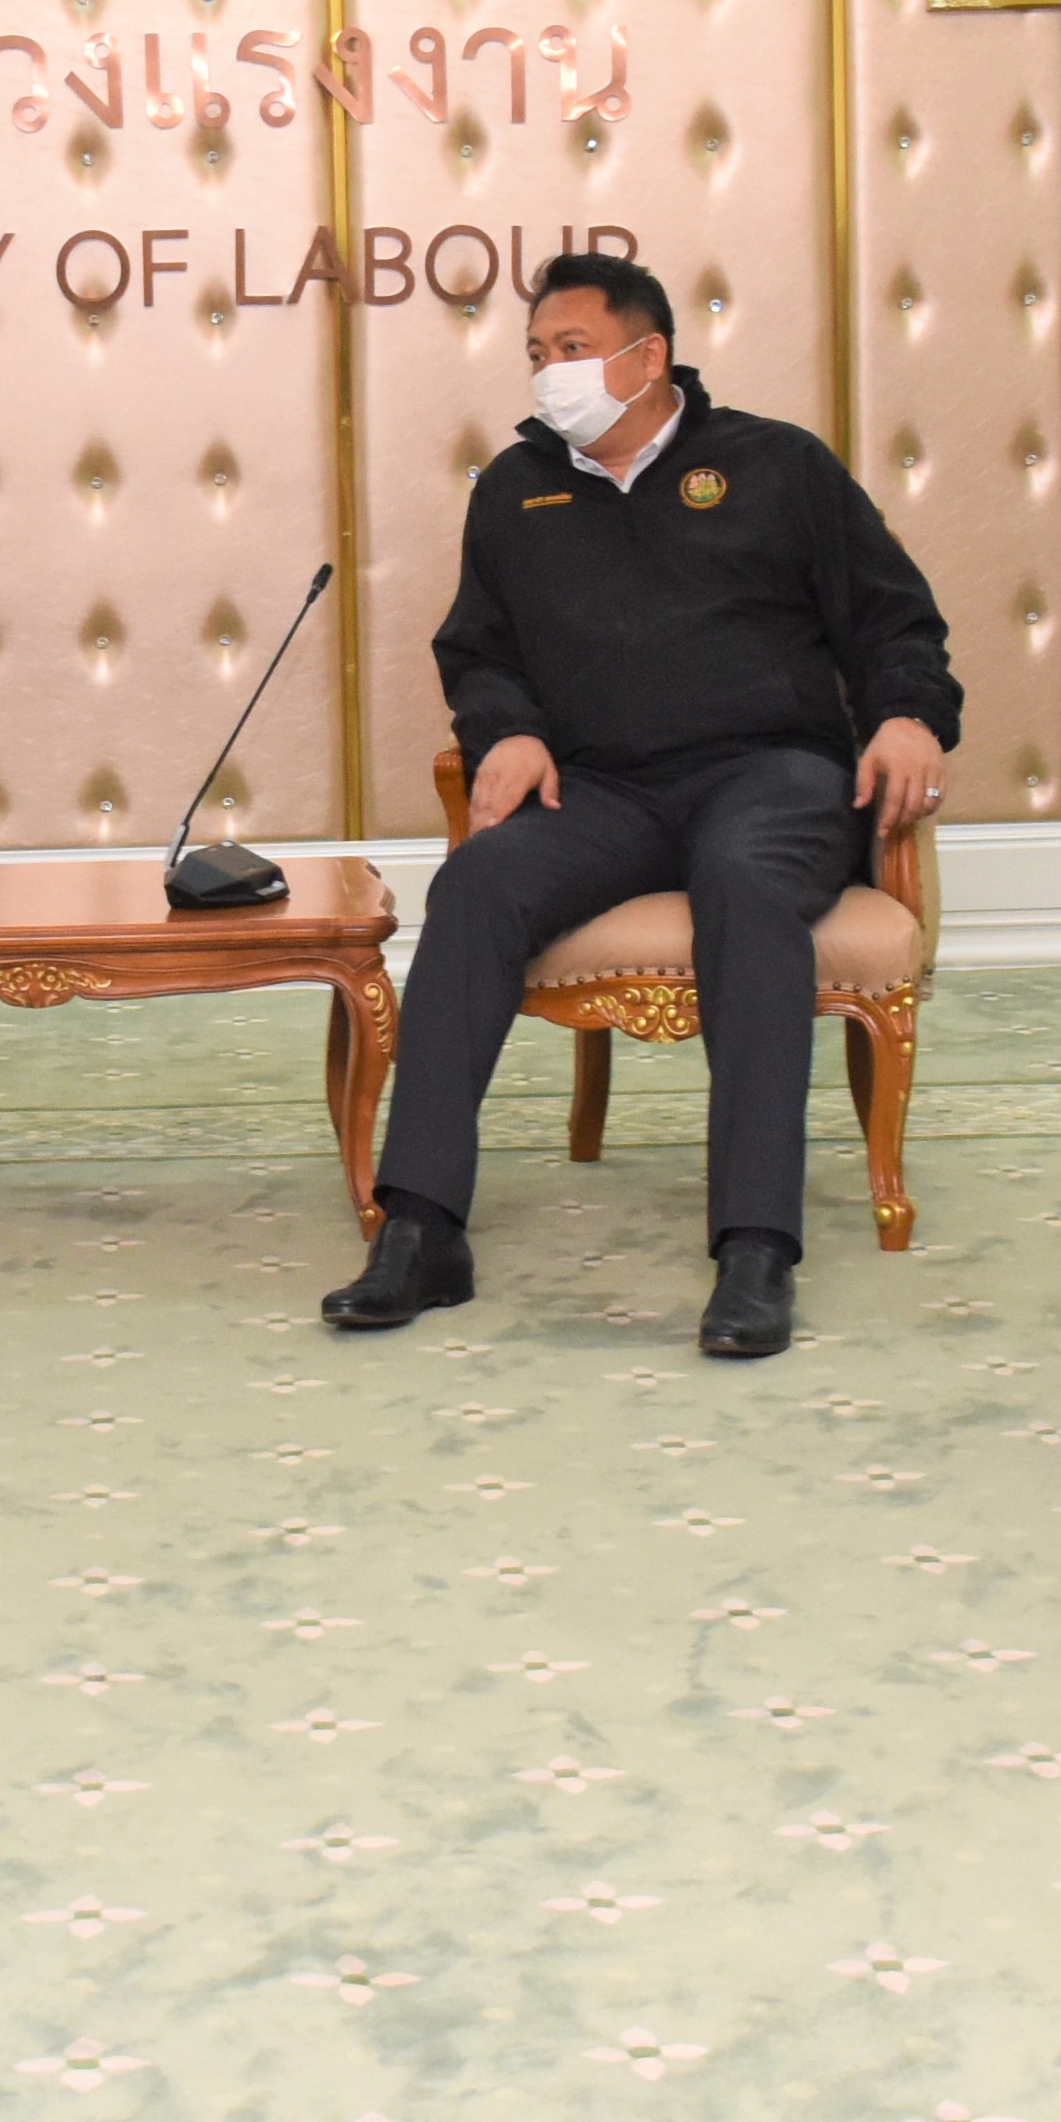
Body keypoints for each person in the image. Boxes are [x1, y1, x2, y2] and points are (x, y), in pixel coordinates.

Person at [325, 249, 964, 1364]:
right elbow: (478, 650)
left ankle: (755, 1245)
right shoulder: (516, 489)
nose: (549, 372)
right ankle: (420, 1227)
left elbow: (893, 620)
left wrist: (910, 714)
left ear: (647, 354)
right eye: (536, 353)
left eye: (571, 348)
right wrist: (507, 729)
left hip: (767, 775)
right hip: (602, 789)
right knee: (475, 884)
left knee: (744, 885)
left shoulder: (777, 465)